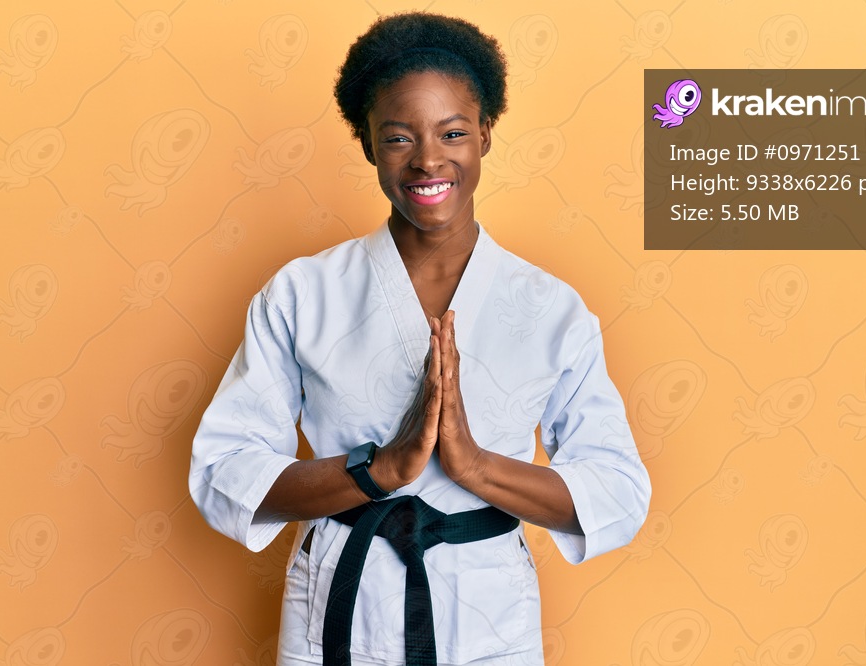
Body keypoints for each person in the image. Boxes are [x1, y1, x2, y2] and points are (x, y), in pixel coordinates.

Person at [190, 12, 651, 666]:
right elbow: (222, 473)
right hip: (341, 601)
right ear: (368, 144)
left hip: (489, 612)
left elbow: (618, 492)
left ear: (485, 134)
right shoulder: (302, 293)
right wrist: (377, 471)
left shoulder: (551, 310)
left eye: (453, 132)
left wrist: (476, 467)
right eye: (399, 137)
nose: (429, 159)